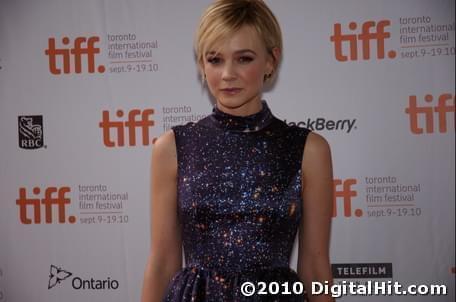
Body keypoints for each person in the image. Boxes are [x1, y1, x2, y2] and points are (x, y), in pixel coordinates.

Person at [141, 0, 334, 301]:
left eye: (244, 58)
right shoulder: (172, 147)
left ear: (271, 61)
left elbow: (314, 266)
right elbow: (163, 263)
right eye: (215, 59)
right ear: (201, 65)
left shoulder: (309, 149)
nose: (228, 73)